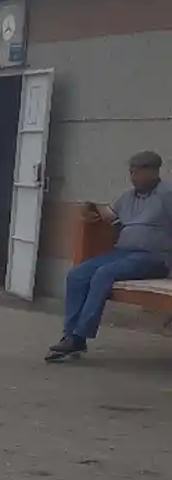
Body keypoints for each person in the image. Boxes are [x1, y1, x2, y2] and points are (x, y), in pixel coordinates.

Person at [47, 150, 172, 360]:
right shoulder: (128, 196)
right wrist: (92, 212)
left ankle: (79, 337)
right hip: (122, 252)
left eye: (137, 172)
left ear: (153, 171)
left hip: (153, 257)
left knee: (104, 274)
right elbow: (109, 217)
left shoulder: (167, 194)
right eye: (131, 172)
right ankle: (69, 336)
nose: (132, 177)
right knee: (78, 273)